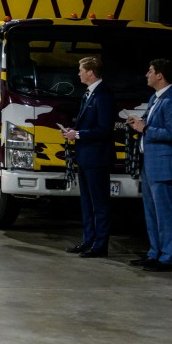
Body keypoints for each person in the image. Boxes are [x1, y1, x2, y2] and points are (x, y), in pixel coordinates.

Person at [126, 58, 172, 273]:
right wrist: (136, 123)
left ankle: (168, 258)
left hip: (163, 166)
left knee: (165, 214)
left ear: (160, 75)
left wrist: (145, 129)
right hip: (150, 164)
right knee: (151, 213)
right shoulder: (155, 98)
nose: (147, 75)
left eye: (150, 71)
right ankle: (155, 253)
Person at [61, 57, 116, 258]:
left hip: (97, 158)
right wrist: (73, 130)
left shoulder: (103, 95)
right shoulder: (88, 94)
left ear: (91, 72)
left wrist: (77, 134)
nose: (79, 74)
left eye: (81, 70)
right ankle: (88, 241)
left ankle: (100, 245)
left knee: (99, 203)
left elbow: (104, 129)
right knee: (86, 202)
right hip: (86, 157)